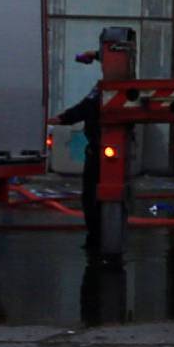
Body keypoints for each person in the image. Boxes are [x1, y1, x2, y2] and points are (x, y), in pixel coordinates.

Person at [51, 50, 109, 261]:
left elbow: (86, 108)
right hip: (100, 149)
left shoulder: (105, 90)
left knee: (92, 196)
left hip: (98, 150)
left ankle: (97, 239)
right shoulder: (109, 86)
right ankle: (100, 236)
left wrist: (62, 118)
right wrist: (94, 55)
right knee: (97, 197)